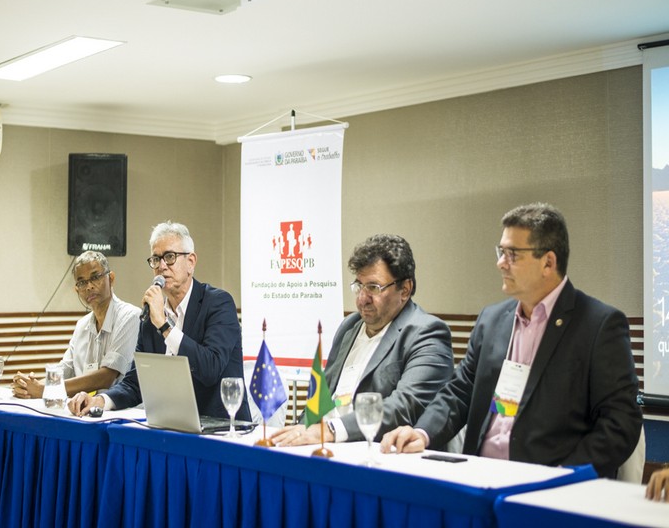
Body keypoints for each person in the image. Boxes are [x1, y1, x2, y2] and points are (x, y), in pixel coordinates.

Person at [380, 203, 642, 479]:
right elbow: (461, 390)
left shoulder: (598, 325)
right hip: (478, 476)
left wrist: (567, 475)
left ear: (548, 262)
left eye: (512, 254)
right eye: (501, 252)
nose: (500, 263)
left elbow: (621, 421)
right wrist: (422, 432)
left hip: (547, 485)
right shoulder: (492, 319)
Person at [271, 234, 454, 446]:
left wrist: (331, 430)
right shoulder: (349, 326)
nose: (362, 299)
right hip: (323, 447)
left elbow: (403, 407)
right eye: (359, 285)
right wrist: (297, 434)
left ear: (405, 290)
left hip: (376, 453)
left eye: (374, 287)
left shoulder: (427, 333)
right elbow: (321, 398)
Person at [68, 221, 250, 421]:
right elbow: (135, 383)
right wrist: (100, 401)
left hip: (223, 427)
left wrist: (165, 326)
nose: (162, 266)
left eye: (170, 257)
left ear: (191, 262)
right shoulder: (151, 317)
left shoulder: (218, 303)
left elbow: (210, 369)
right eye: (156, 259)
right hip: (171, 426)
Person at [12, 251, 140, 399]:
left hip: (120, 409)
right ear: (77, 290)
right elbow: (65, 370)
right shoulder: (82, 325)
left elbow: (106, 377)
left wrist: (44, 390)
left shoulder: (130, 316)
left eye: (95, 277)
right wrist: (29, 386)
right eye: (82, 282)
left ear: (111, 278)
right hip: (83, 407)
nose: (89, 287)